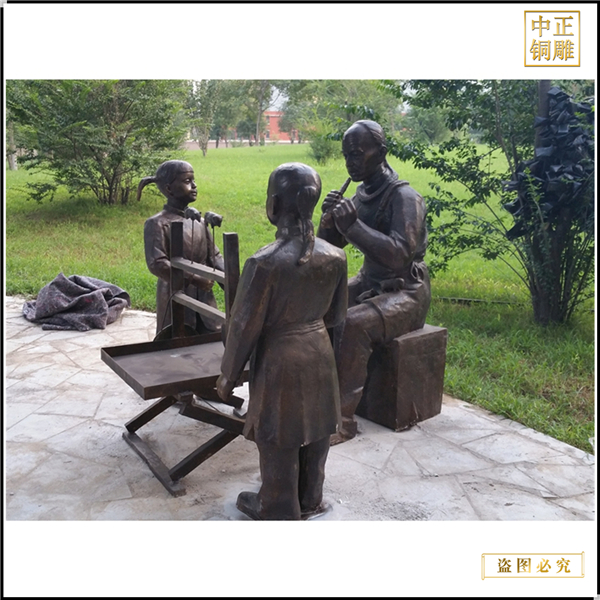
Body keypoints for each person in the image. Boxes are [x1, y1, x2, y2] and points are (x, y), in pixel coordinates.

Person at [216, 162, 347, 520]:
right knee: (318, 426)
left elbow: (243, 327)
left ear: (272, 205)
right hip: (319, 353)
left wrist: (228, 375)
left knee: (277, 432)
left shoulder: (265, 263)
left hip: (280, 359)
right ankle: (311, 496)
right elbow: (338, 317)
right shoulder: (336, 256)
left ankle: (277, 503)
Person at [317, 120, 431, 444]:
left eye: (357, 153)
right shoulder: (360, 195)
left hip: (407, 290)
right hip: (371, 281)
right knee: (319, 307)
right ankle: (318, 396)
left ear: (381, 153)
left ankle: (342, 420)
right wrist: (329, 223)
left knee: (353, 324)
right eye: (346, 155)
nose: (350, 162)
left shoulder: (405, 197)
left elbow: (400, 255)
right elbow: (330, 247)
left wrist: (352, 226)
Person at [138, 160, 224, 338]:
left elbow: (215, 257)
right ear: (169, 189)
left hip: (205, 301)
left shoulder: (200, 222)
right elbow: (157, 263)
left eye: (193, 180)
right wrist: (194, 278)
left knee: (212, 340)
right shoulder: (157, 224)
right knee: (176, 342)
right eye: (187, 181)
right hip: (175, 298)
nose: (194, 185)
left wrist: (233, 284)